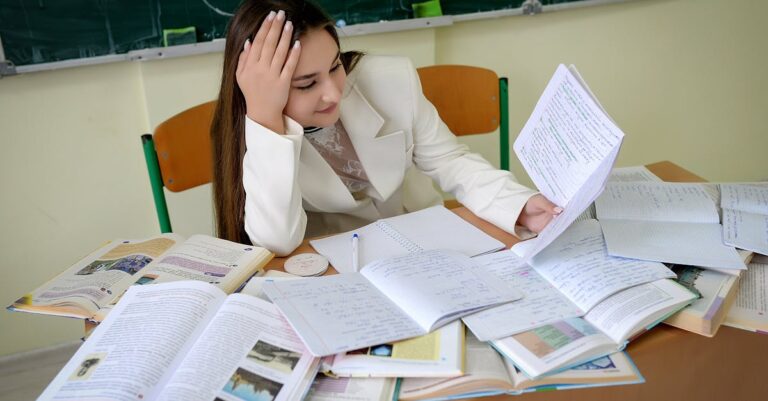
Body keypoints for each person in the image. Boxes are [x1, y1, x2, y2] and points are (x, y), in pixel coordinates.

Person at [211, 0, 562, 256]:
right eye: (306, 84)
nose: (334, 92)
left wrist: (518, 204)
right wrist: (265, 120)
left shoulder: (391, 79)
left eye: (335, 66)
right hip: (339, 267)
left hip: (426, 245)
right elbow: (277, 242)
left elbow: (451, 161)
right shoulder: (258, 131)